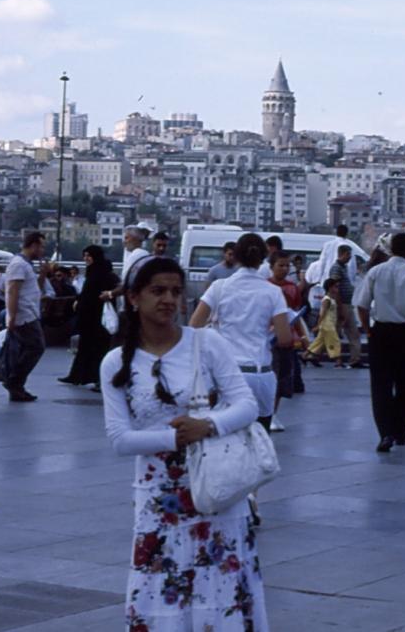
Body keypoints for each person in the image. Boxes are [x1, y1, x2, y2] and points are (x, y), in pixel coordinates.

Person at [100, 257, 267, 631]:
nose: (169, 300)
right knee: (160, 585)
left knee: (221, 585)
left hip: (217, 489)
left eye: (176, 292)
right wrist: (174, 437)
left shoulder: (206, 343)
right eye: (157, 291)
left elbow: (247, 405)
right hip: (159, 498)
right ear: (133, 298)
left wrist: (206, 425)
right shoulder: (115, 363)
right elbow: (120, 439)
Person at [189, 233, 295, 434]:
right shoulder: (273, 292)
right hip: (261, 373)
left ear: (236, 256)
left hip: (228, 374)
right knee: (260, 438)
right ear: (263, 259)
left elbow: (194, 326)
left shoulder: (219, 287)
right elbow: (285, 338)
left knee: (227, 438)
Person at [352, 232, 405, 452]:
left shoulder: (376, 272)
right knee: (404, 384)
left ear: (390, 249)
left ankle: (385, 433)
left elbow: (361, 305)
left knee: (381, 385)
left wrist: (368, 329)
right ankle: (401, 432)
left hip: (381, 332)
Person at [61, 245, 120, 389]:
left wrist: (80, 302)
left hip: (96, 316)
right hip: (91, 316)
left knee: (96, 348)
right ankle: (77, 376)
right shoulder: (98, 271)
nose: (86, 258)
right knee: (86, 347)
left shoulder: (99, 273)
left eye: (89, 255)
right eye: (85, 255)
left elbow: (92, 293)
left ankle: (95, 378)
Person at [1, 232, 48, 402]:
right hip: (24, 315)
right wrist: (12, 316)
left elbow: (34, 289)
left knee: (29, 348)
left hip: (29, 313)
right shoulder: (18, 264)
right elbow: (13, 291)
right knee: (36, 347)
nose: (42, 250)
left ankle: (16, 385)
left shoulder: (26, 265)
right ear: (33, 245)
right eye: (41, 246)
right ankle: (14, 382)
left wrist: (43, 274)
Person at [267, 251, 306, 431]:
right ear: (271, 267)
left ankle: (273, 413)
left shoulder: (293, 288)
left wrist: (302, 336)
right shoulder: (265, 287)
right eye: (280, 265)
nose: (284, 269)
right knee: (271, 377)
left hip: (286, 339)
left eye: (286, 265)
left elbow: (295, 315)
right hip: (268, 340)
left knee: (282, 378)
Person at [328, 244, 364, 368]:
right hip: (342, 304)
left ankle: (355, 358)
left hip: (347, 304)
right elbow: (335, 289)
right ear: (341, 254)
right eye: (348, 254)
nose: (349, 257)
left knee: (352, 332)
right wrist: (339, 307)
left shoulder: (343, 268)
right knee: (337, 333)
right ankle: (314, 354)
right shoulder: (336, 268)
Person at [102, 226, 151, 305]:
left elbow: (128, 284)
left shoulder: (137, 255)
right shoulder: (142, 254)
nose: (124, 241)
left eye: (126, 238)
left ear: (135, 239)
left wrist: (110, 294)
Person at [308, 277, 343, 365]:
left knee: (319, 342)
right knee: (335, 341)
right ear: (330, 288)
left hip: (330, 323)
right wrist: (318, 325)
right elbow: (322, 313)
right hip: (327, 324)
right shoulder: (326, 300)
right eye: (335, 287)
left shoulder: (332, 299)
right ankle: (338, 360)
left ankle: (305, 355)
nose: (337, 289)